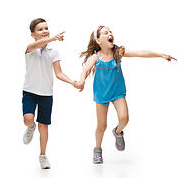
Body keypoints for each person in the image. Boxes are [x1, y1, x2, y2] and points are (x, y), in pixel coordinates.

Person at [76, 26, 177, 164]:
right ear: (98, 40)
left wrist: (161, 54)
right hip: (101, 94)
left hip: (117, 91)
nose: (110, 34)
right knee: (101, 126)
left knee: (124, 118)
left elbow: (140, 53)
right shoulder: (95, 57)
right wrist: (81, 82)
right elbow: (86, 70)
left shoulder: (118, 52)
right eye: (106, 33)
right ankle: (97, 149)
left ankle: (117, 132)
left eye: (110, 32)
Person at [22, 18, 79, 169]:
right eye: (40, 29)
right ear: (33, 34)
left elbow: (59, 73)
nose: (44, 31)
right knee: (28, 119)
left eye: (46, 28)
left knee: (44, 126)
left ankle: (43, 155)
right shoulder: (30, 48)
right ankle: (30, 128)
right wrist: (52, 38)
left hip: (46, 94)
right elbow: (35, 45)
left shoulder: (54, 51)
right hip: (30, 91)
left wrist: (72, 81)